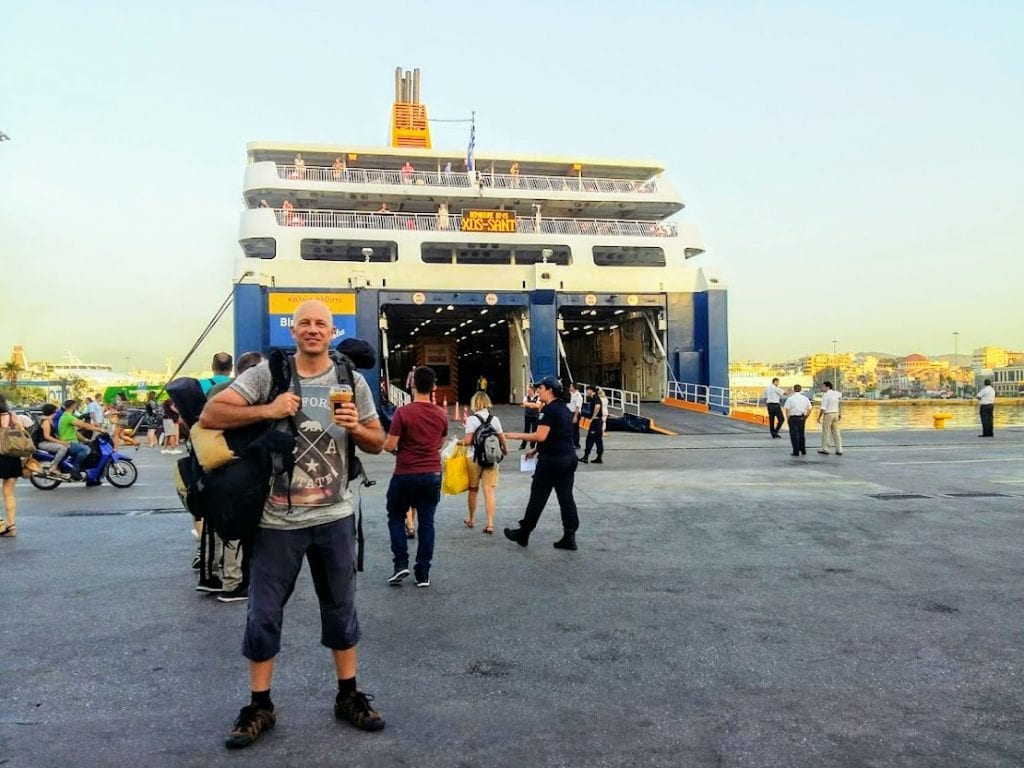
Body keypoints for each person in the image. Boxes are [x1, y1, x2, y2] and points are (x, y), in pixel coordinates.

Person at [201, 299, 386, 749]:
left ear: (332, 331)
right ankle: (259, 704)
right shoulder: (269, 374)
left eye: (321, 323)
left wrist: (355, 428)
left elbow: (379, 441)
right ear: (294, 330)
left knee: (341, 609)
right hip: (276, 520)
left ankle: (348, 695)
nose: (313, 329)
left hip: (335, 516)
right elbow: (211, 415)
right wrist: (269, 410)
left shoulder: (350, 379)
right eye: (305, 323)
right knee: (264, 614)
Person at [383, 365, 448, 588]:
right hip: (432, 473)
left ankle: (400, 564)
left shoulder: (403, 413)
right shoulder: (441, 415)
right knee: (427, 523)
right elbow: (439, 444)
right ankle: (423, 573)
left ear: (412, 384)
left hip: (406, 473)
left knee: (395, 515)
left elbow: (390, 445)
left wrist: (395, 446)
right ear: (433, 387)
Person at [502, 377, 579, 551]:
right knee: (566, 498)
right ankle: (569, 535)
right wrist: (536, 450)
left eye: (541, 388)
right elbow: (557, 435)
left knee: (538, 497)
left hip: (551, 462)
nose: (538, 391)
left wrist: (514, 435)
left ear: (550, 390)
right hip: (568, 459)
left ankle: (524, 533)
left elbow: (540, 435)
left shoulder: (549, 410)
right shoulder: (564, 408)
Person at [462, 390, 507, 535]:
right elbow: (502, 439)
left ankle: (471, 518)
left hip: (474, 458)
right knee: (489, 490)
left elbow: (468, 441)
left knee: (473, 489)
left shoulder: (471, 419)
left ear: (474, 403)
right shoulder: (495, 420)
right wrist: (504, 450)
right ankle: (490, 524)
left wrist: (458, 443)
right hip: (491, 457)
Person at [56, 399, 107, 479]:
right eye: (76, 406)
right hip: (69, 443)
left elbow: (75, 433)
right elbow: (83, 425)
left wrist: (85, 440)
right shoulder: (68, 417)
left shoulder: (65, 417)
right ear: (73, 406)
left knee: (88, 448)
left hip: (71, 442)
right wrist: (99, 429)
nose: (76, 408)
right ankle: (74, 470)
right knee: (86, 450)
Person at [0, 394, 27, 537]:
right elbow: (22, 433)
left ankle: (1, 525)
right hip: (12, 456)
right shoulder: (13, 416)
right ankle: (11, 526)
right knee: (9, 493)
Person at [36, 403, 70, 476]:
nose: (57, 412)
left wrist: (63, 441)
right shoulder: (46, 422)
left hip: (46, 442)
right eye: (56, 411)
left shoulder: (50, 421)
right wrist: (61, 442)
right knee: (63, 448)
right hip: (42, 443)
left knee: (68, 446)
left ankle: (61, 466)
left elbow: (53, 435)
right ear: (53, 412)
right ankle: (53, 467)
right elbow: (47, 436)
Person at [783, 385, 812, 457]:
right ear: (801, 389)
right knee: (801, 434)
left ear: (794, 390)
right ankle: (803, 450)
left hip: (793, 418)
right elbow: (810, 408)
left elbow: (787, 410)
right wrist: (806, 416)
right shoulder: (805, 398)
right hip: (801, 417)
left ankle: (796, 451)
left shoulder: (790, 399)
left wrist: (788, 419)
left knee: (794, 435)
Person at [817, 381, 843, 456]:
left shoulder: (825, 396)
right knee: (836, 432)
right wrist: (839, 413)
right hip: (836, 413)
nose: (822, 388)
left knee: (826, 432)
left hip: (828, 414)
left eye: (823, 386)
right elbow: (839, 403)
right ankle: (839, 449)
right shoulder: (837, 393)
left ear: (827, 387)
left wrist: (819, 417)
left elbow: (823, 409)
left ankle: (825, 448)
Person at [579, 385, 604, 464]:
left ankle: (586, 456)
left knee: (590, 439)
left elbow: (597, 407)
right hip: (598, 421)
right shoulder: (595, 398)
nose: (586, 392)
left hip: (596, 422)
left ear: (591, 390)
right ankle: (599, 457)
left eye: (587, 390)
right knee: (598, 439)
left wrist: (592, 417)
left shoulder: (596, 398)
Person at [520, 384, 541, 450]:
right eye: (528, 391)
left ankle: (532, 445)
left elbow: (537, 406)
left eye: (530, 390)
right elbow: (524, 404)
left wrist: (528, 404)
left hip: (535, 416)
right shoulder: (526, 397)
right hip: (527, 415)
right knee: (526, 430)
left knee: (534, 431)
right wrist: (532, 404)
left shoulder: (538, 397)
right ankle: (523, 445)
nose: (528, 392)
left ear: (533, 391)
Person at [568, 383, 583, 449]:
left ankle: (576, 444)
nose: (570, 387)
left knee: (575, 429)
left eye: (571, 386)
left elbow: (577, 407)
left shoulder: (578, 396)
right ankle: (571, 443)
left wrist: (575, 416)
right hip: (570, 412)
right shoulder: (571, 394)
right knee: (570, 429)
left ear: (574, 387)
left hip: (575, 413)